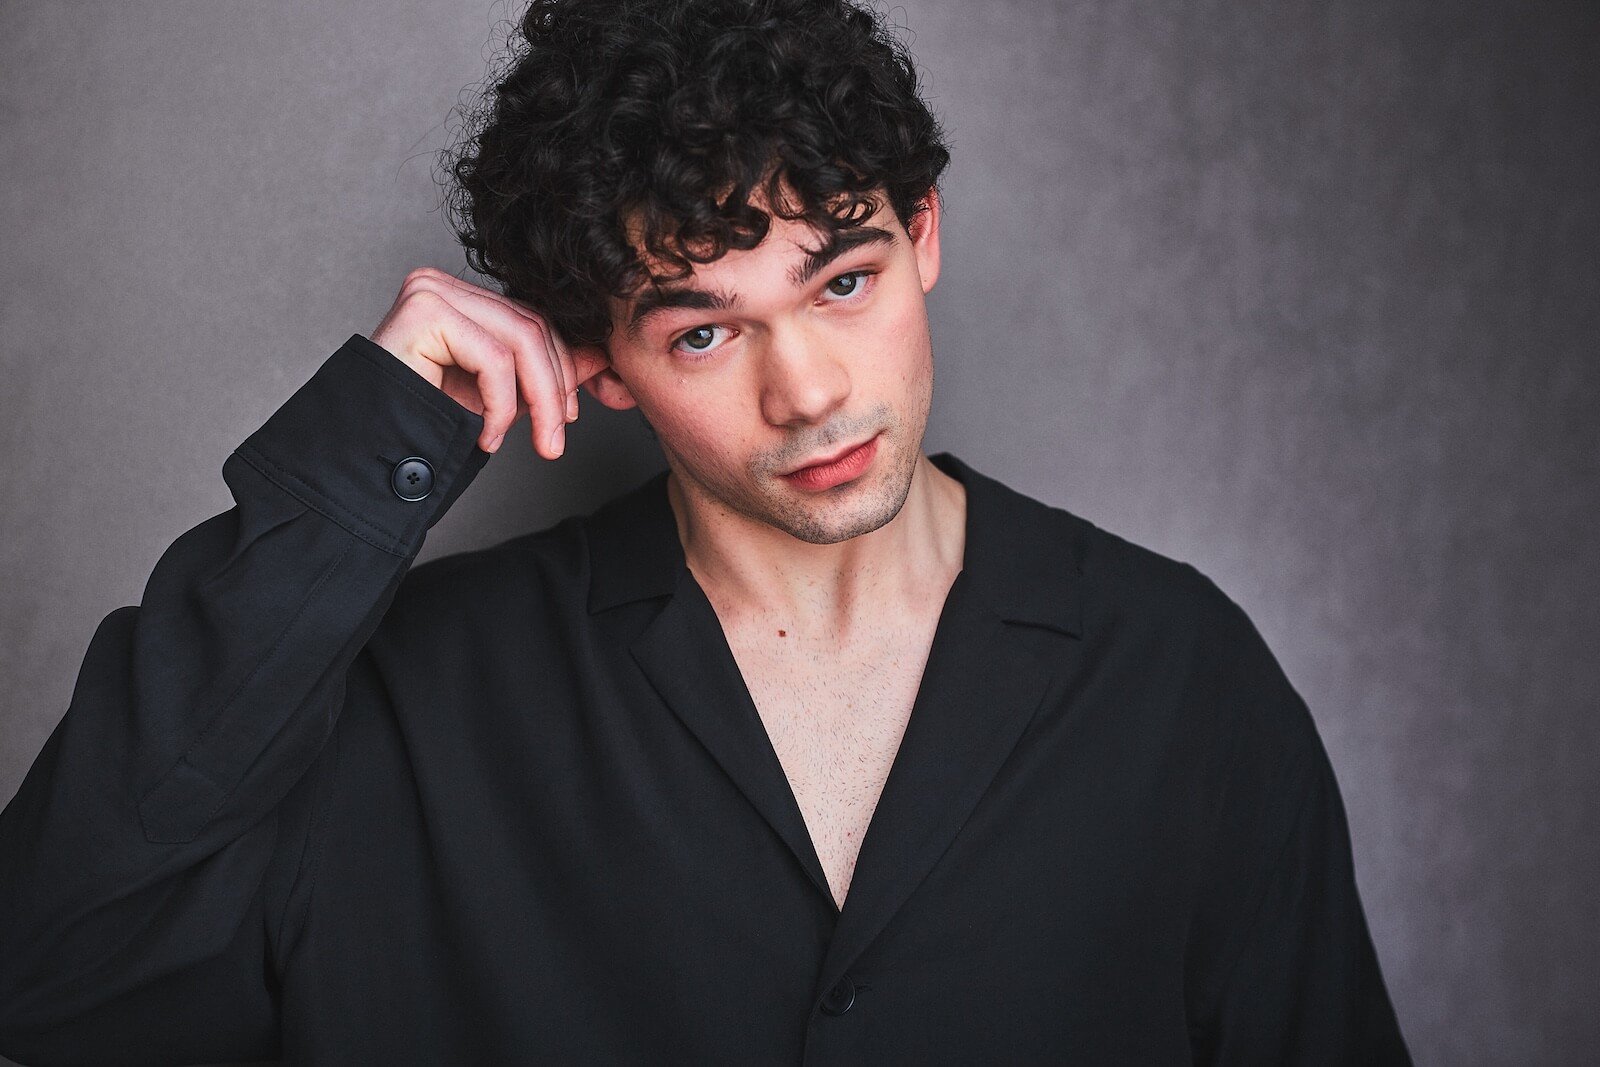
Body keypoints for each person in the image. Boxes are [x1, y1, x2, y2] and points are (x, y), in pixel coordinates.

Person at [0, 0, 1412, 1062]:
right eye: (704, 332)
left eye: (843, 281)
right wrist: (370, 452)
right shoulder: (417, 701)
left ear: (923, 233)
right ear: (602, 364)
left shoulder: (1178, 675)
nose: (808, 394)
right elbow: (47, 972)